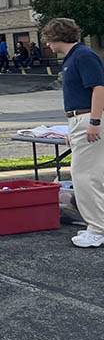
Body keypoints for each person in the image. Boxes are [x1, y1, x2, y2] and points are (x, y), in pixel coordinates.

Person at [41, 18, 104, 248]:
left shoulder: (83, 56)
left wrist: (94, 121)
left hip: (88, 117)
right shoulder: (75, 57)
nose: (47, 43)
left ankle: (97, 229)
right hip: (80, 118)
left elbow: (99, 87)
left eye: (48, 38)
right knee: (90, 175)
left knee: (85, 177)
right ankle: (97, 225)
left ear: (58, 37)